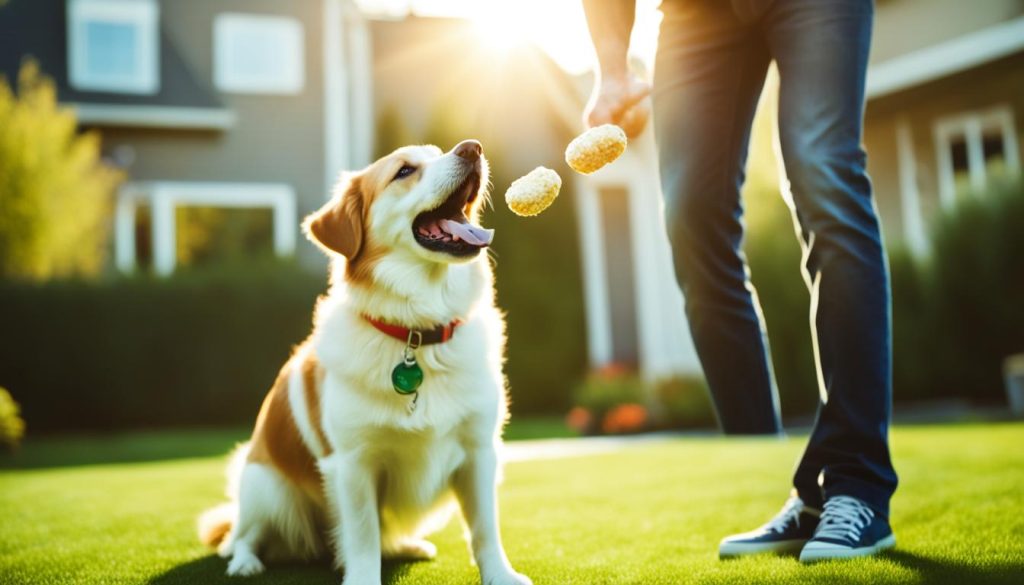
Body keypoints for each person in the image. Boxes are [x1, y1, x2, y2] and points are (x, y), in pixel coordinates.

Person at [581, 0, 898, 562]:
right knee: (690, 217)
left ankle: (857, 482)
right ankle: (781, 485)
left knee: (822, 171)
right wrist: (611, 69)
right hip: (695, 14)